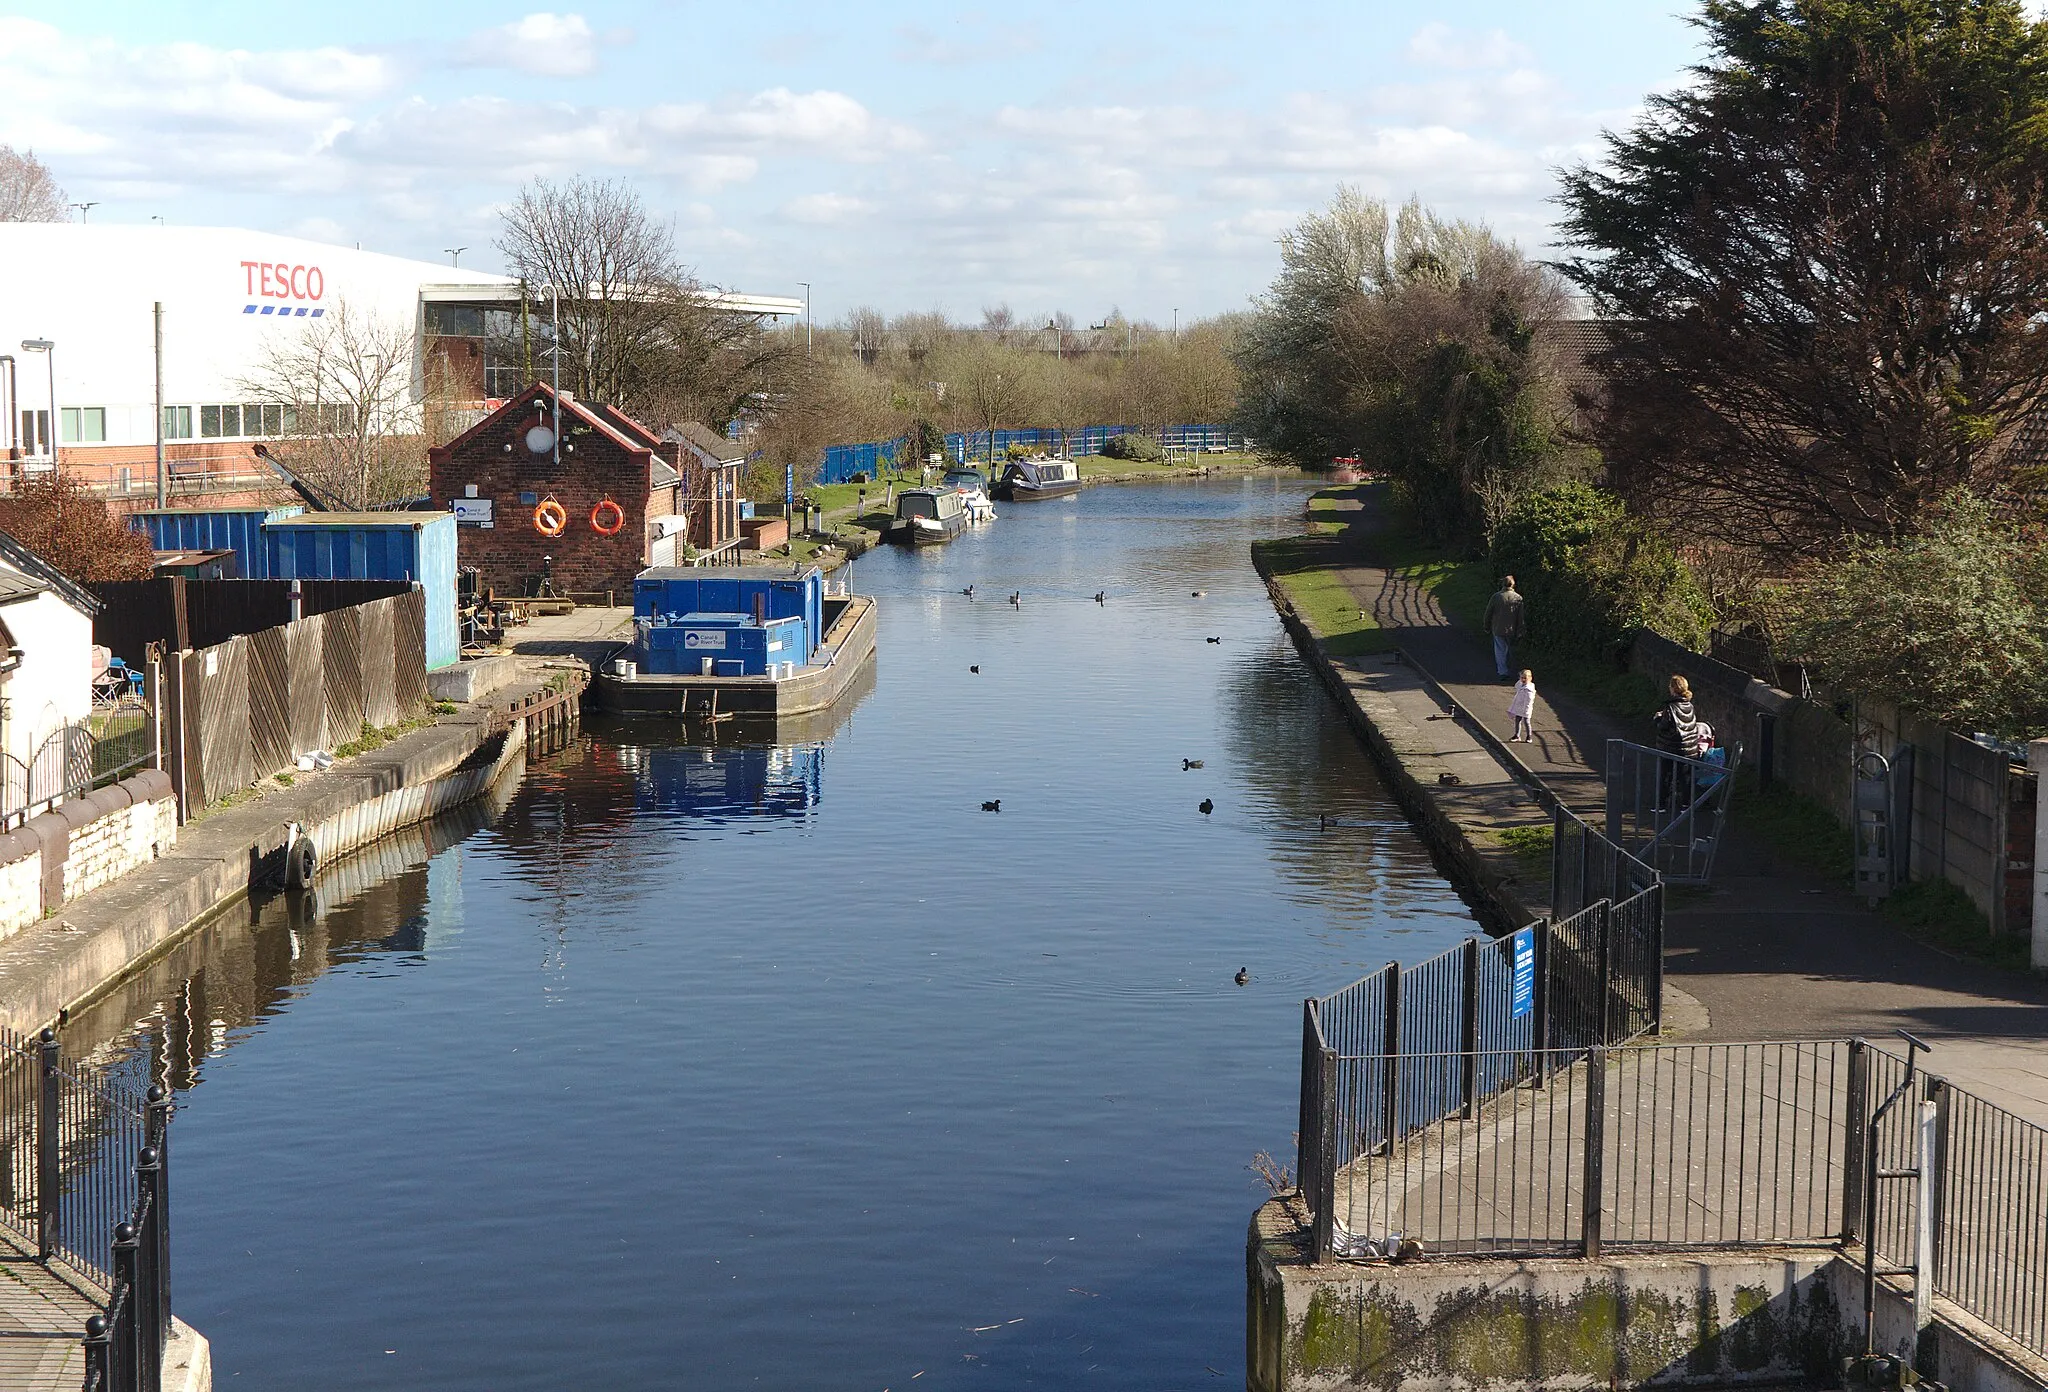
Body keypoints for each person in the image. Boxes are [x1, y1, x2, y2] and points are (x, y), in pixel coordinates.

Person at [1651, 675, 1701, 811]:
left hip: (1671, 747)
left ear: (1673, 688)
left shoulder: (1670, 707)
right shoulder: (1689, 705)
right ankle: (1685, 805)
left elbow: (1664, 726)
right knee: (1684, 777)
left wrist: (1657, 718)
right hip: (1689, 748)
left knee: (1665, 775)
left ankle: (1661, 805)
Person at [1482, 576, 1525, 679]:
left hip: (1498, 628)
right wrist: (1520, 629)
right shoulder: (1518, 598)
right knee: (1511, 650)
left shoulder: (1496, 597)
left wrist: (1486, 626)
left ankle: (1503, 671)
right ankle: (1515, 670)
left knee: (1500, 650)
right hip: (1512, 629)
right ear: (1513, 584)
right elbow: (1520, 616)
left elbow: (1488, 613)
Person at [1508, 669, 1536, 742]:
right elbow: (1516, 686)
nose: (1523, 679)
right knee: (1517, 720)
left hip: (1526, 709)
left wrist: (1526, 710)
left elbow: (1528, 702)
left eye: (1525, 678)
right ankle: (1517, 735)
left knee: (1527, 722)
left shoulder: (1529, 690)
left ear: (1530, 678)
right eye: (1521, 678)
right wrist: (1519, 681)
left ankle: (1529, 736)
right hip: (1519, 707)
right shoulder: (1520, 685)